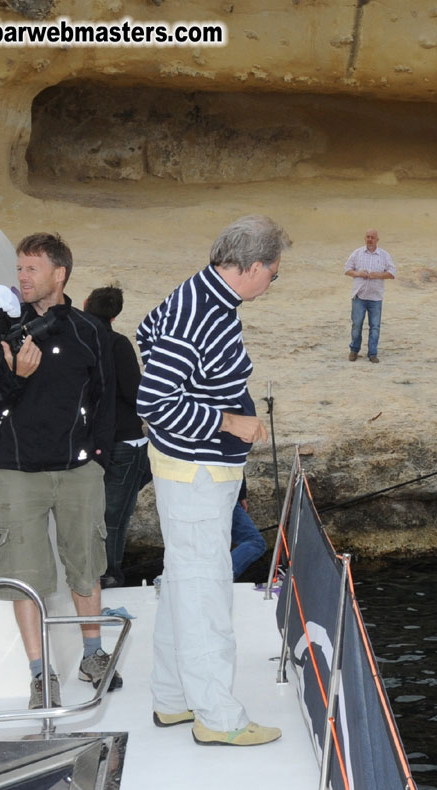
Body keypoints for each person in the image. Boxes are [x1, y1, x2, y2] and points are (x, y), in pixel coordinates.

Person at [137, 215, 289, 747]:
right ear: (250, 267)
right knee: (204, 591)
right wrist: (230, 421)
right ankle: (217, 718)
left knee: (182, 583)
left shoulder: (203, 297)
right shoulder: (200, 311)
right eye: (273, 272)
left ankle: (173, 699)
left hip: (195, 469)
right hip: (196, 473)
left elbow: (145, 332)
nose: (273, 281)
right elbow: (153, 402)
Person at [0, 232, 120, 709]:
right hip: (17, 471)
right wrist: (16, 377)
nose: (22, 278)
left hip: (78, 471)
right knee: (24, 574)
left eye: (31, 269)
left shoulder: (90, 330)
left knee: (87, 565)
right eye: (19, 269)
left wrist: (98, 461)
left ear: (60, 274)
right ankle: (41, 676)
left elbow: (105, 403)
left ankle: (93, 656)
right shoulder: (0, 332)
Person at [84, 285, 152, 589]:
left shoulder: (77, 340)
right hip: (124, 441)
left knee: (93, 514)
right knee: (115, 517)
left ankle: (97, 576)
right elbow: (136, 394)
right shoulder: (117, 344)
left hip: (88, 442)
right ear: (115, 315)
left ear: (85, 304)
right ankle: (110, 577)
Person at [344, 228, 395, 363]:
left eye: (372, 237)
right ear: (364, 238)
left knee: (375, 326)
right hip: (359, 296)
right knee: (357, 325)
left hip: (376, 298)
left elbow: (392, 273)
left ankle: (372, 354)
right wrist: (359, 273)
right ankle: (354, 350)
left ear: (377, 240)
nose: (370, 239)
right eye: (367, 237)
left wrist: (377, 275)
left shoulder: (384, 255)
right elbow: (347, 269)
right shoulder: (357, 253)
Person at [230, 479, 266, 579]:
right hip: (225, 493)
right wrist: (241, 495)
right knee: (256, 542)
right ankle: (223, 576)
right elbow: (238, 464)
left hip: (189, 492)